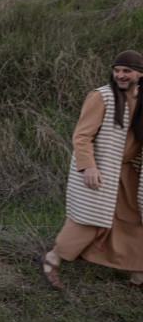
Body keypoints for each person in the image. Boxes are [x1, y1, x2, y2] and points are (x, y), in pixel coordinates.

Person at [39, 50, 143, 290]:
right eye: (117, 70)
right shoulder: (101, 96)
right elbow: (82, 136)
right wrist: (88, 167)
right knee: (91, 220)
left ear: (140, 74)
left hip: (128, 171)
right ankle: (51, 259)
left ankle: (139, 275)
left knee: (135, 220)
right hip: (100, 169)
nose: (120, 75)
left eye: (126, 71)